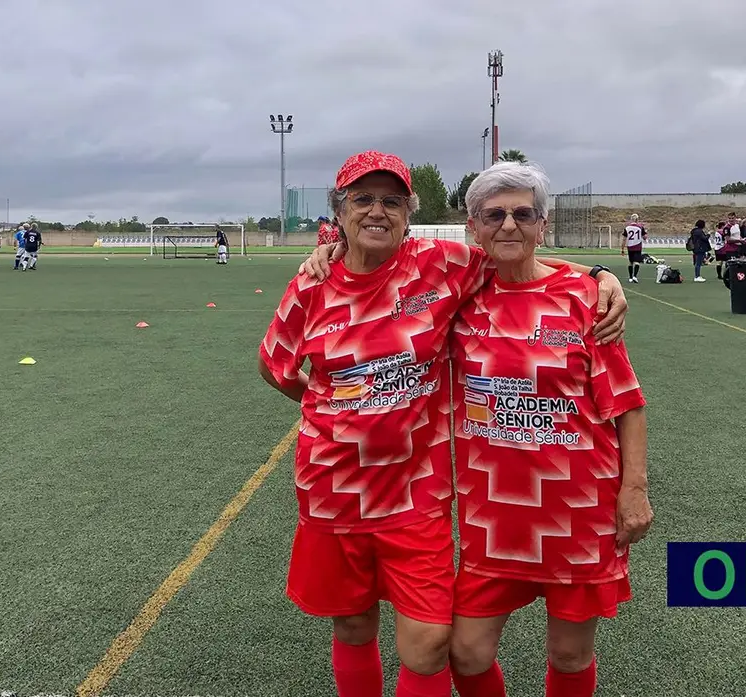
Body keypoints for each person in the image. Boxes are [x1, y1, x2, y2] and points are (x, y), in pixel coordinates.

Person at [259, 150, 628, 697]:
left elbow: (517, 258)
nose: (377, 211)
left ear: (409, 211)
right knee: (354, 624)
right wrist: (331, 407)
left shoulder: (443, 264)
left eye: (391, 200)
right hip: (332, 489)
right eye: (362, 199)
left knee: (432, 644)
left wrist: (598, 275)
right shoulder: (313, 286)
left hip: (417, 494)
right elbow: (276, 366)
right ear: (339, 211)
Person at [446, 161, 650, 697]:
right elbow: (381, 264)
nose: (508, 225)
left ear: (543, 223)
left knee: (569, 652)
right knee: (465, 653)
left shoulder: (585, 297)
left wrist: (634, 490)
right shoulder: (458, 296)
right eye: (494, 215)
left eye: (522, 214)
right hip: (493, 511)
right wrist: (325, 252)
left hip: (577, 506)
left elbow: (627, 403)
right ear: (473, 225)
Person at [621, 214, 645, 283]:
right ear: (637, 220)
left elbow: (624, 239)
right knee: (637, 262)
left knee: (630, 262)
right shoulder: (640, 227)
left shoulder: (627, 228)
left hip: (630, 247)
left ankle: (630, 277)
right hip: (637, 246)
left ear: (631, 219)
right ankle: (635, 276)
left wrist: (622, 249)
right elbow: (644, 237)